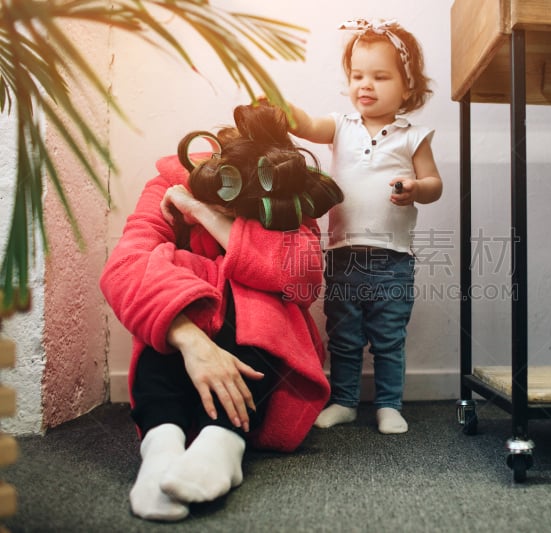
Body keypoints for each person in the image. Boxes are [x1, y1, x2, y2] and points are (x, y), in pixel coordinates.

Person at [100, 99, 341, 521]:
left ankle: (223, 444)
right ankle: (161, 444)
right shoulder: (168, 183)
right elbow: (124, 267)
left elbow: (302, 277)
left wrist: (205, 215)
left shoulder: (286, 196)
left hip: (259, 354)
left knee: (265, 295)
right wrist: (192, 342)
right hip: (180, 348)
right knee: (165, 278)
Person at [288, 18, 443, 434]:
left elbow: (435, 185)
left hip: (393, 258)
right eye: (357, 76)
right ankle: (343, 400)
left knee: (389, 337)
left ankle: (390, 404)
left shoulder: (413, 137)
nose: (365, 85)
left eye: (379, 76)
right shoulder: (340, 126)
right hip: (343, 254)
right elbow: (305, 125)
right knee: (344, 334)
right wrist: (285, 111)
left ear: (407, 87)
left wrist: (415, 188)